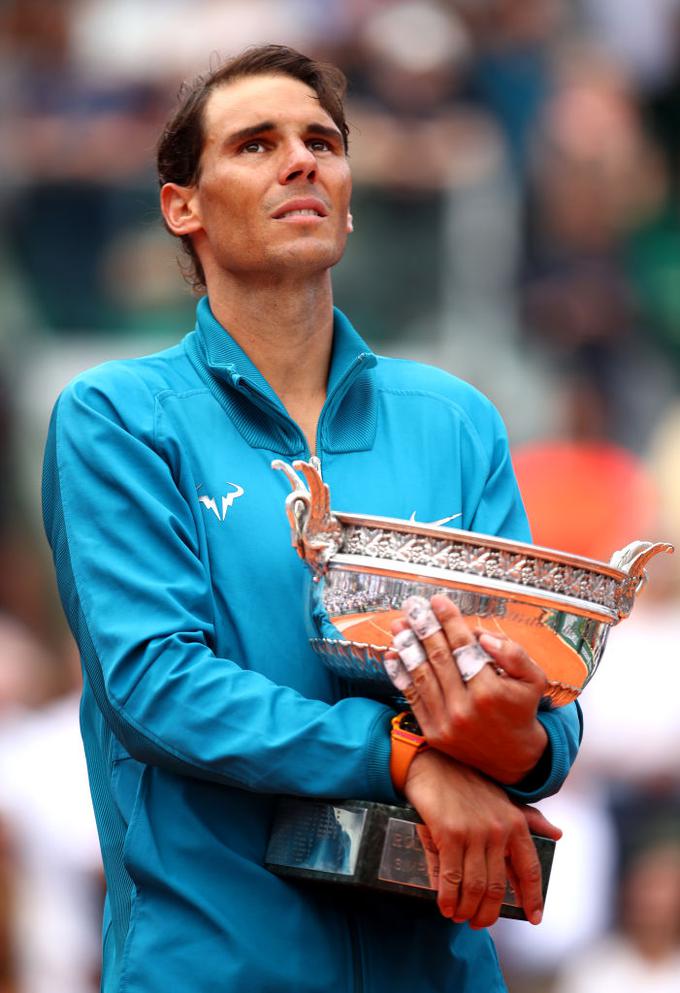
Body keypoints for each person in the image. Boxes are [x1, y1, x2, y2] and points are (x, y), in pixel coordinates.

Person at [41, 44, 582, 993]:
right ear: (183, 207)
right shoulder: (117, 415)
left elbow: (545, 682)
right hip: (215, 966)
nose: (302, 161)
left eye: (322, 142)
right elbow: (157, 681)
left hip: (443, 969)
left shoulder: (455, 418)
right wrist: (405, 756)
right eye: (256, 144)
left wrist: (520, 740)